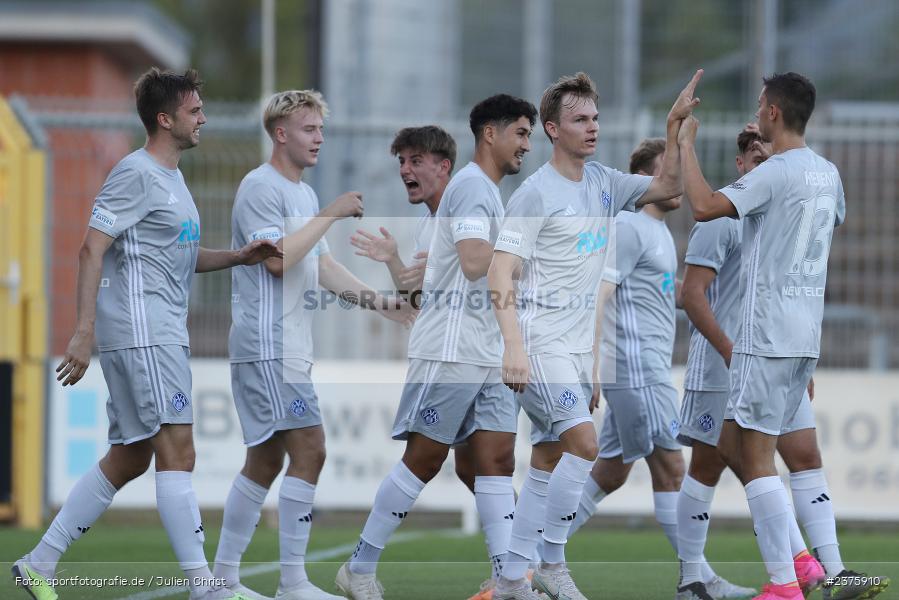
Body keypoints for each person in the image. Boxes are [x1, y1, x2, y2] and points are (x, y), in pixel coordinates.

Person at [13, 68, 282, 600]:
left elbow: (173, 255)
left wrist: (237, 256)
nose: (202, 116)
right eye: (193, 110)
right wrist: (82, 331)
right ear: (165, 119)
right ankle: (205, 588)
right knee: (178, 450)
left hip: (157, 332)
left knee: (132, 455)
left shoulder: (173, 178)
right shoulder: (135, 173)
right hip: (143, 332)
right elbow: (92, 248)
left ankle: (39, 562)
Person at [488, 72, 692, 600]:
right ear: (553, 129)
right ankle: (552, 561)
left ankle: (512, 579)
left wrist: (673, 129)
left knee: (550, 457)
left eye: (596, 118)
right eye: (580, 119)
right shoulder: (535, 194)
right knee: (585, 444)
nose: (592, 127)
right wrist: (512, 345)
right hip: (538, 342)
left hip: (577, 352)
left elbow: (669, 187)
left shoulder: (603, 181)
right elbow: (499, 270)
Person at [211, 90, 414, 600]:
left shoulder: (300, 194)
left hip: (286, 345)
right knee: (312, 448)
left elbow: (320, 267)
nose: (319, 138)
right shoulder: (261, 187)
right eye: (309, 129)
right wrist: (331, 212)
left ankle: (220, 582)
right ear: (281, 134)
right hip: (269, 344)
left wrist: (382, 304)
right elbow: (277, 260)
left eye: (321, 129)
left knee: (264, 460)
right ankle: (292, 584)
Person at [335, 94, 537, 600]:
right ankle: (359, 568)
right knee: (424, 459)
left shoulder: (478, 192)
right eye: (521, 134)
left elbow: (442, 278)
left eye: (530, 135)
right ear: (490, 134)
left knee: (494, 462)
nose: (526, 146)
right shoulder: (471, 188)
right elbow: (474, 262)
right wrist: (532, 250)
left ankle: (510, 581)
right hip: (451, 351)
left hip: (487, 348)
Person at [676, 124, 890, 600]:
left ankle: (831, 571)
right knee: (711, 465)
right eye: (755, 163)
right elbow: (690, 295)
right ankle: (695, 575)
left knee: (802, 456)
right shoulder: (721, 218)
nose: (763, 172)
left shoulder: (786, 210)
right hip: (721, 365)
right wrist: (731, 351)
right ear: (741, 169)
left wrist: (796, 359)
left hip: (773, 355)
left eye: (770, 162)